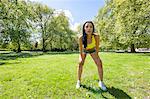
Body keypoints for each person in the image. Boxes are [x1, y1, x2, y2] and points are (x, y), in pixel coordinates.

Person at [76, 21, 107, 91]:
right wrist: (81, 59)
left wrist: (97, 57)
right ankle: (78, 81)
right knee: (80, 63)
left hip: (93, 50)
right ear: (84, 28)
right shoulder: (81, 38)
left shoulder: (96, 36)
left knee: (99, 63)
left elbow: (97, 47)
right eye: (87, 27)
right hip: (84, 50)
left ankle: (101, 82)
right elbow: (80, 50)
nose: (89, 28)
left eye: (91, 27)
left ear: (93, 28)